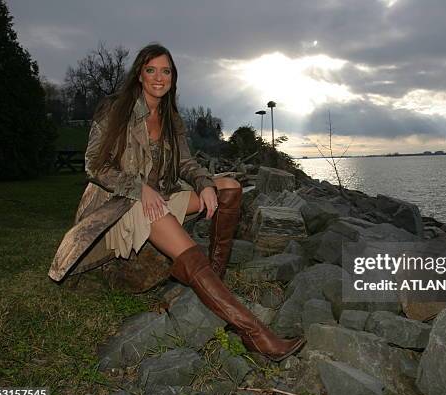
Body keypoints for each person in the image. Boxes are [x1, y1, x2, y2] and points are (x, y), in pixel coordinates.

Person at [48, 43, 305, 362]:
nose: (159, 77)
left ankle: (214, 283)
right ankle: (254, 333)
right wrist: (139, 189)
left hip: (161, 198)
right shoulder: (116, 108)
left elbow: (186, 163)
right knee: (164, 220)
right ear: (139, 75)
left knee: (230, 188)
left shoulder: (171, 118)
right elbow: (95, 165)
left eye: (165, 71)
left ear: (173, 77)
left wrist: (205, 183)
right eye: (151, 70)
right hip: (121, 205)